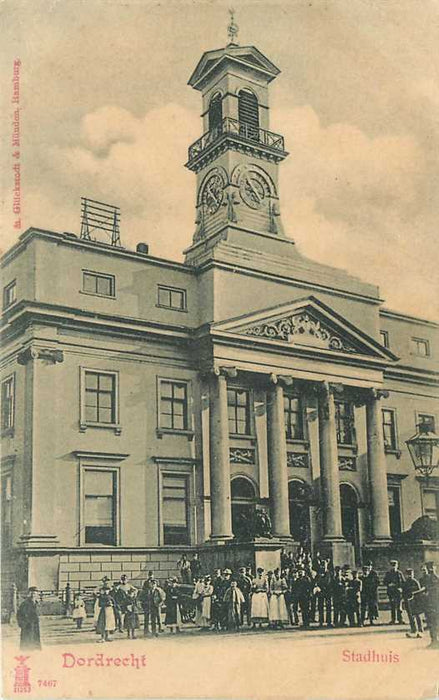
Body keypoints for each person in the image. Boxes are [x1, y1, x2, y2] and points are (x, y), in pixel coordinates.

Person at [402, 568, 423, 638]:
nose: (410, 576)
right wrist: (405, 601)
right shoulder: (405, 583)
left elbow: (419, 592)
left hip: (415, 601)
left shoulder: (415, 582)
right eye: (408, 575)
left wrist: (418, 601)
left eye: (411, 574)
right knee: (410, 616)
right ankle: (413, 629)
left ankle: (420, 629)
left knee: (417, 615)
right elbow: (403, 593)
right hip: (408, 601)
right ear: (406, 575)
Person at [422, 561, 439, 649]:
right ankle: (434, 641)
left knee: (433, 623)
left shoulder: (433, 579)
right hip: (432, 604)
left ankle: (434, 641)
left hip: (434, 605)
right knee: (433, 623)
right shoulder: (432, 578)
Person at [383, 560, 405, 624]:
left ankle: (400, 619)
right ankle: (393, 620)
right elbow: (385, 582)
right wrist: (389, 584)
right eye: (392, 566)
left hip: (398, 592)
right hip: (391, 592)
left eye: (395, 566)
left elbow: (403, 582)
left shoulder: (399, 573)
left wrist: (400, 587)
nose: (394, 567)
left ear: (397, 566)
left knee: (399, 607)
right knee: (392, 606)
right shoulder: (388, 573)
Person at [314, 560, 333, 628]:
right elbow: (315, 582)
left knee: (328, 608)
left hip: (328, 592)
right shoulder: (318, 574)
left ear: (327, 565)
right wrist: (317, 587)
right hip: (321, 593)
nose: (323, 566)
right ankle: (321, 622)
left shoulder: (330, 573)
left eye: (324, 565)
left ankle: (329, 622)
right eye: (322, 565)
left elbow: (331, 583)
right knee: (320, 607)